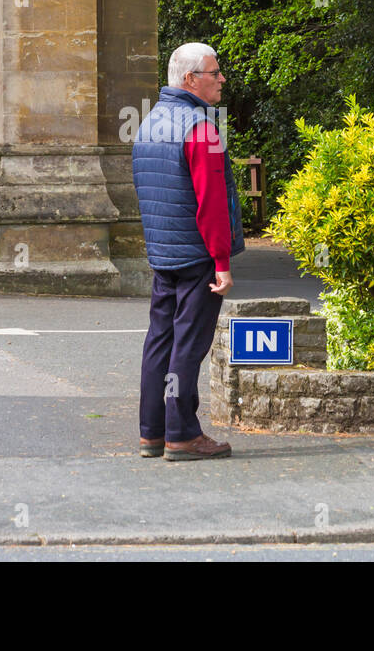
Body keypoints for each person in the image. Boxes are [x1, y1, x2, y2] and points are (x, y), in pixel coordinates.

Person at [131, 43, 246, 461]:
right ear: (190, 79)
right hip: (197, 256)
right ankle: (181, 434)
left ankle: (152, 433)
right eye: (214, 73)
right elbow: (211, 202)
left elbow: (148, 193)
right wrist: (222, 262)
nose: (221, 80)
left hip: (163, 253)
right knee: (189, 345)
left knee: (159, 340)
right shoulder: (202, 130)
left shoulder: (147, 125)